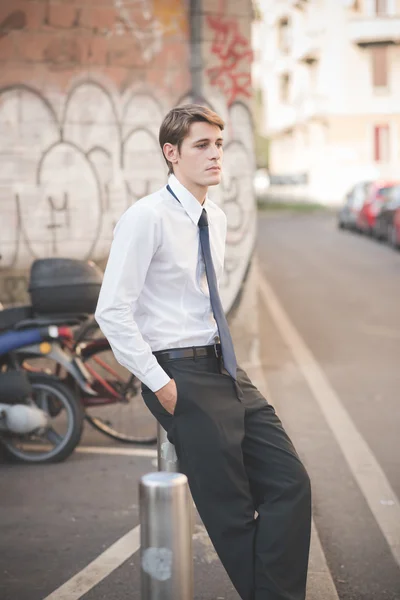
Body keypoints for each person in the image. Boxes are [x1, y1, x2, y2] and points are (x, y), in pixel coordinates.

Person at [95, 104, 311, 600]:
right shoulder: (145, 217)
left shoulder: (214, 214)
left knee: (290, 482)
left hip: (225, 368)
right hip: (178, 374)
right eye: (201, 145)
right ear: (171, 154)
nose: (216, 154)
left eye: (219, 144)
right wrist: (162, 385)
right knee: (231, 512)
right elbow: (112, 311)